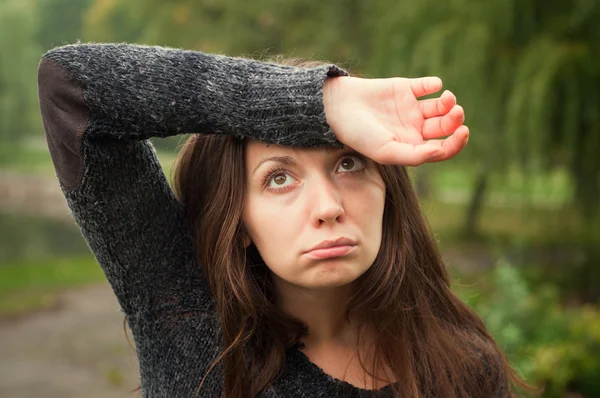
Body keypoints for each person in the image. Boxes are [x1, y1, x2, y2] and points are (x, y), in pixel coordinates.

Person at [37, 42, 526, 397]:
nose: (328, 207)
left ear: (388, 190)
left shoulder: (461, 366)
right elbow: (71, 87)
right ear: (240, 222)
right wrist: (318, 102)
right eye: (278, 179)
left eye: (348, 163)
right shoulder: (192, 330)